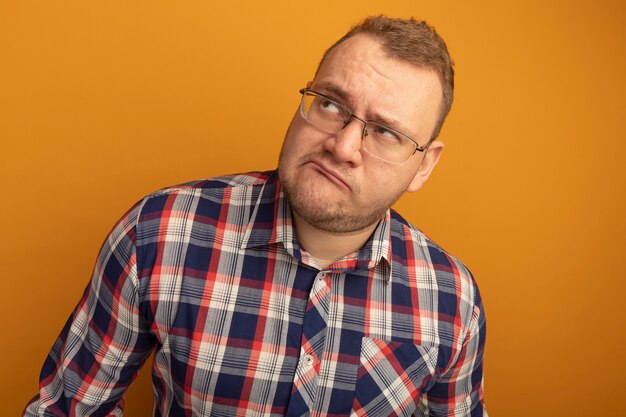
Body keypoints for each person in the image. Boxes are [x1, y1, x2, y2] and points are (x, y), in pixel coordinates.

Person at [24, 15, 487, 417]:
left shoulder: (453, 299)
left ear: (423, 165)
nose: (342, 147)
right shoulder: (159, 234)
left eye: (385, 132)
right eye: (330, 104)